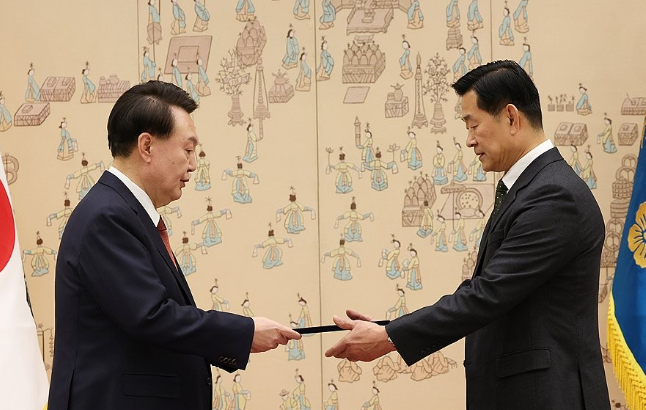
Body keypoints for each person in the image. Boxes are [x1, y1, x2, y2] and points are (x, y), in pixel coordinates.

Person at [325, 60, 610, 410]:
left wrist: (388, 337)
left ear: (511, 117)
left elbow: (487, 294)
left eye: (474, 125)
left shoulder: (554, 196)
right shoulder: (534, 187)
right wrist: (392, 329)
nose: (469, 140)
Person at [48, 81, 301, 410]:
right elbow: (151, 316)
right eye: (188, 149)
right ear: (147, 146)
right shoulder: (107, 216)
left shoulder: (123, 211)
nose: (193, 164)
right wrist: (244, 332)